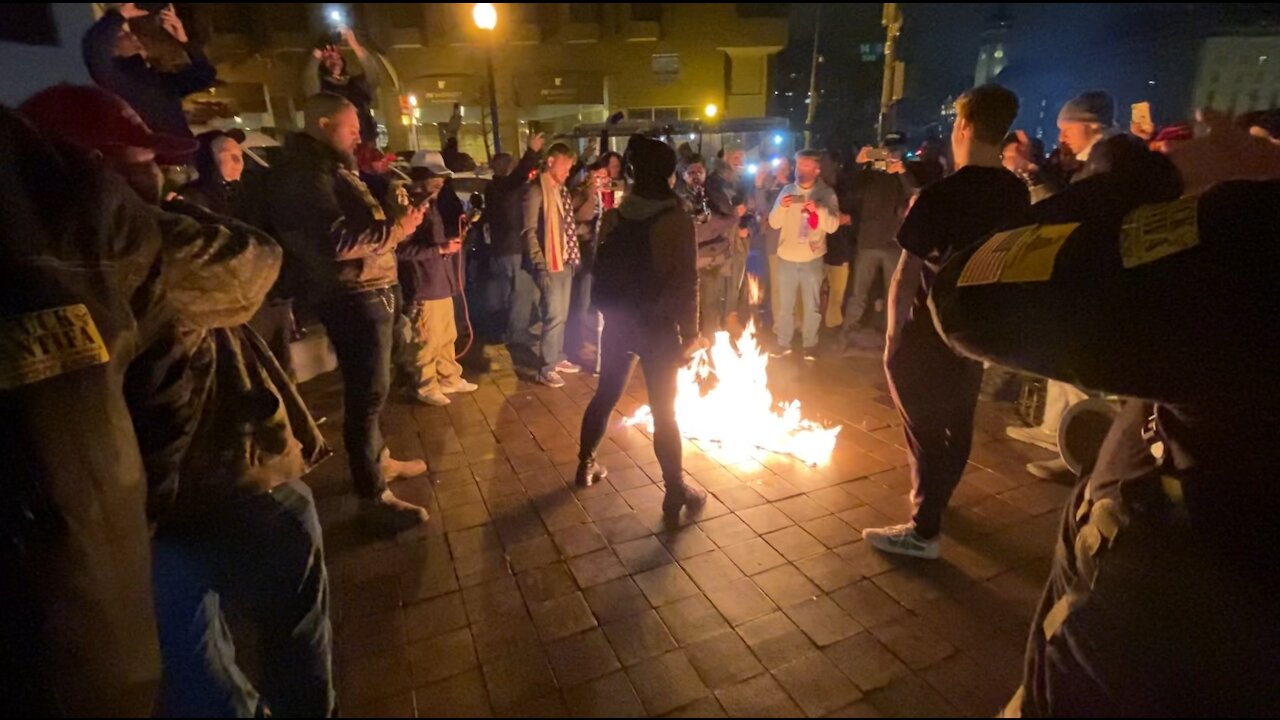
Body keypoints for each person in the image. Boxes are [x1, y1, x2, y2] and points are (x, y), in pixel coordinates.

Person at [22, 84, 334, 717]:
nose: (162, 176)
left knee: (192, 666)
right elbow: (255, 258)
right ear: (96, 171)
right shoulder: (125, 245)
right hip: (230, 478)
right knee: (293, 632)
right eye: (143, 165)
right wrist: (174, 210)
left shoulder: (25, 261)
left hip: (129, 511)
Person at [862, 84, 1030, 560]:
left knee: (925, 428)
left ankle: (924, 528)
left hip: (928, 330)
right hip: (979, 331)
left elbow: (907, 270)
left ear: (963, 127)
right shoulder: (1016, 194)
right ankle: (935, 502)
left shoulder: (940, 196)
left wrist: (893, 336)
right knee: (956, 419)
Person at [268, 92, 430, 530]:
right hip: (353, 296)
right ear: (322, 124)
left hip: (370, 289)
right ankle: (372, 492)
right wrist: (398, 227)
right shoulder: (307, 174)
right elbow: (336, 242)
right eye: (351, 126)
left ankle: (378, 460)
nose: (360, 134)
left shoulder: (330, 169)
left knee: (376, 389)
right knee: (367, 395)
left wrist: (397, 217)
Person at [577, 135, 706, 521]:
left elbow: (600, 263)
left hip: (618, 322)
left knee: (605, 396)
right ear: (668, 176)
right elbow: (687, 282)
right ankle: (674, 490)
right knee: (665, 412)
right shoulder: (676, 219)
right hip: (658, 327)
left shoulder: (616, 214)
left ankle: (585, 464)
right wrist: (692, 333)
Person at [397, 151, 478, 406]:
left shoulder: (431, 203)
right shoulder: (406, 205)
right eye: (436, 177)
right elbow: (399, 248)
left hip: (441, 282)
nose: (441, 182)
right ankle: (425, 385)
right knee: (426, 339)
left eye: (443, 177)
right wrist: (440, 249)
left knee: (445, 336)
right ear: (423, 177)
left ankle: (448, 377)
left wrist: (450, 242)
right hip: (423, 285)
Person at [82, 3, 215, 139]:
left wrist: (183, 40)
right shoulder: (115, 80)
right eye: (122, 34)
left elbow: (205, 75)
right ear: (111, 49)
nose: (132, 35)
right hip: (157, 157)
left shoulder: (160, 81)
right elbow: (94, 50)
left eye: (129, 32)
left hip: (183, 155)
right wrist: (119, 15)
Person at [842, 135, 916, 349]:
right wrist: (859, 164)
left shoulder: (906, 173)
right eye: (886, 151)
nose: (890, 155)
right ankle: (847, 335)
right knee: (859, 293)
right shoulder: (869, 174)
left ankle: (892, 339)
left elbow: (917, 192)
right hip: (868, 242)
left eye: (895, 151)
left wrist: (902, 171)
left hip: (894, 242)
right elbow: (848, 191)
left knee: (893, 294)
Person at [519, 142, 583, 387]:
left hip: (565, 259)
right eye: (565, 167)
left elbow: (567, 223)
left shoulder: (560, 190)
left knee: (562, 314)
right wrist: (540, 264)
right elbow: (529, 231)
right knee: (553, 314)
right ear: (550, 162)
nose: (568, 172)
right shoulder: (536, 191)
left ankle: (556, 357)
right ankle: (546, 367)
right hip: (549, 262)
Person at [767, 149, 840, 359]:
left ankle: (810, 344)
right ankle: (783, 343)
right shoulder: (788, 191)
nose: (801, 170)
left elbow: (833, 226)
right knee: (785, 305)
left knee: (812, 306)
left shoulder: (826, 194)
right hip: (786, 257)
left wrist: (819, 209)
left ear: (817, 170)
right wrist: (782, 206)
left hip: (812, 259)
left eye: (806, 166)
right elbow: (774, 222)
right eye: (798, 165)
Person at [483, 133, 544, 344]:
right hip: (514, 248)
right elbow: (521, 173)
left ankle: (509, 330)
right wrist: (532, 151)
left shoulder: (492, 188)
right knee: (523, 292)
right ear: (507, 168)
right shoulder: (506, 187)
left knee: (512, 293)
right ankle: (517, 333)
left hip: (502, 248)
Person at [676, 154, 737, 339]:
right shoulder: (675, 196)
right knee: (686, 307)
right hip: (686, 261)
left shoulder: (714, 193)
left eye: (699, 171)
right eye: (691, 172)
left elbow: (731, 217)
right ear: (683, 174)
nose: (695, 175)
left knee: (710, 305)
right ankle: (689, 346)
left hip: (710, 259)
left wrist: (709, 223)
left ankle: (710, 345)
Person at [303, 27, 382, 144]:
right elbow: (309, 78)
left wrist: (354, 44)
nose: (333, 59)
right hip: (335, 144)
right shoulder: (321, 89)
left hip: (364, 141)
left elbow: (373, 76)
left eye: (336, 56)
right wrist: (318, 51)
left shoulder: (356, 84)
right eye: (328, 57)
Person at [756, 157, 793, 324]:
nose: (780, 168)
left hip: (793, 243)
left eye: (784, 165)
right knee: (776, 284)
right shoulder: (769, 186)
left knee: (793, 285)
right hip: (773, 242)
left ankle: (795, 322)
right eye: (778, 165)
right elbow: (762, 209)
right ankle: (779, 323)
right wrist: (759, 185)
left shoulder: (795, 184)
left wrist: (784, 182)